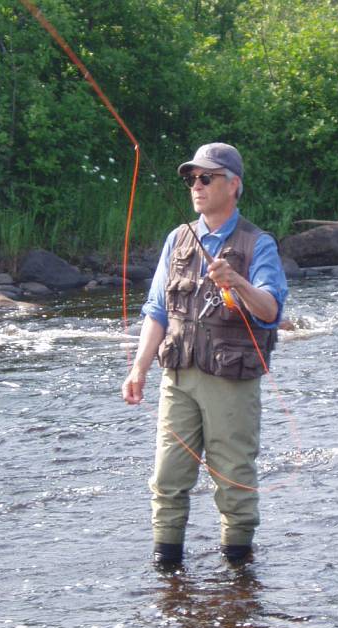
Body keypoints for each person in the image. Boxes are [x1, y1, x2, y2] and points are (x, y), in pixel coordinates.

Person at [121, 143, 288, 566]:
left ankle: (238, 573)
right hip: (178, 378)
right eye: (192, 178)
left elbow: (270, 310)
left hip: (231, 382)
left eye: (206, 177)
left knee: (233, 481)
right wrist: (140, 367)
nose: (196, 185)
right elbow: (157, 311)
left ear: (234, 186)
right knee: (166, 479)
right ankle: (166, 570)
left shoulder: (258, 244)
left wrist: (236, 282)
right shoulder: (177, 239)